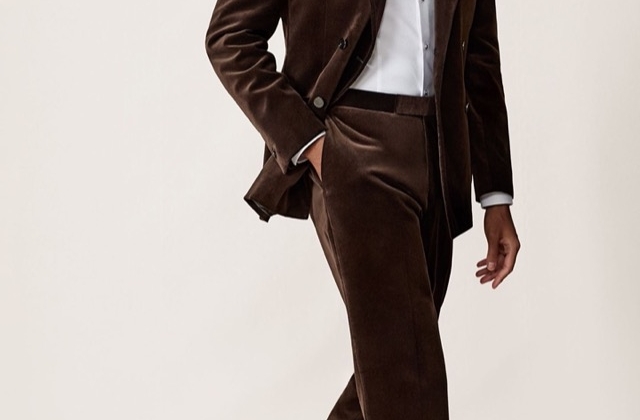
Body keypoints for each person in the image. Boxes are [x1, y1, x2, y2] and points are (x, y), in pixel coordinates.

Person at [205, 0, 520, 417]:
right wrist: (311, 144)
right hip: (353, 147)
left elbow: (479, 56)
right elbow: (229, 38)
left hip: (440, 158)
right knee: (406, 369)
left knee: (396, 361)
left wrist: (495, 196)